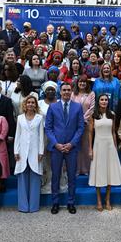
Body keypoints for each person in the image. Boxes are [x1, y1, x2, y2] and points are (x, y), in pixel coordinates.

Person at [45, 83, 85, 214]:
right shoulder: (53, 107)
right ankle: (55, 202)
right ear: (60, 92)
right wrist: (56, 143)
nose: (66, 92)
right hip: (56, 147)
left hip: (71, 148)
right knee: (55, 175)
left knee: (72, 176)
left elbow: (80, 128)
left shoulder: (78, 107)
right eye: (64, 90)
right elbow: (48, 128)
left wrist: (72, 143)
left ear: (71, 91)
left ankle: (71, 202)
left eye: (68, 90)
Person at [88, 94, 121, 211]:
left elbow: (113, 132)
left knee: (109, 173)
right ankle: (98, 200)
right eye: (102, 100)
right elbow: (90, 133)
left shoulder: (112, 114)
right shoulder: (93, 115)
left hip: (109, 146)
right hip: (98, 145)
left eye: (106, 100)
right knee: (98, 172)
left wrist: (114, 146)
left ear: (108, 102)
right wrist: (90, 149)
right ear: (98, 102)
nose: (104, 101)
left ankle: (107, 200)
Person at [14, 95, 45, 213]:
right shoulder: (20, 118)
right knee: (22, 177)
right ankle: (23, 206)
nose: (30, 104)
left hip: (35, 151)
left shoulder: (39, 118)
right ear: (25, 105)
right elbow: (18, 135)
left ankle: (33, 206)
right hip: (22, 151)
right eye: (28, 102)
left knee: (35, 177)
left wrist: (41, 151)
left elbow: (41, 136)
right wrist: (16, 151)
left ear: (35, 105)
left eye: (33, 102)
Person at [38, 81, 67, 194]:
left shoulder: (61, 102)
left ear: (56, 91)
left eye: (52, 90)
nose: (50, 91)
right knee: (46, 159)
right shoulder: (40, 103)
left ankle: (60, 184)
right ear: (44, 92)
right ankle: (47, 183)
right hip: (44, 134)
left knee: (59, 160)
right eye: (48, 90)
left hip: (58, 134)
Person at [71, 75, 96, 175]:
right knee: (76, 146)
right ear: (77, 83)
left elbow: (92, 108)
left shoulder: (91, 94)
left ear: (87, 84)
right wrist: (78, 120)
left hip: (87, 123)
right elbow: (71, 107)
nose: (82, 84)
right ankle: (77, 169)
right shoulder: (73, 94)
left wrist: (83, 119)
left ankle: (86, 169)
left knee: (86, 146)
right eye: (80, 82)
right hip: (74, 123)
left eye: (84, 82)